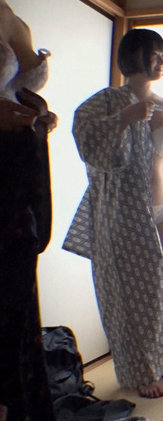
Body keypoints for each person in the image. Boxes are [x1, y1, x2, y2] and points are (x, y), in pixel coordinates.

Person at [63, 28, 163, 399]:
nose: (162, 62)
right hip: (123, 212)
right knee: (129, 294)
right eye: (155, 54)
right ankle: (141, 370)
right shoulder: (106, 102)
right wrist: (125, 117)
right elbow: (86, 138)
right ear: (134, 56)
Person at [0, 0, 58, 418]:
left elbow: (19, 89)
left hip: (14, 170)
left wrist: (39, 116)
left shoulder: (12, 17)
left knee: (14, 299)